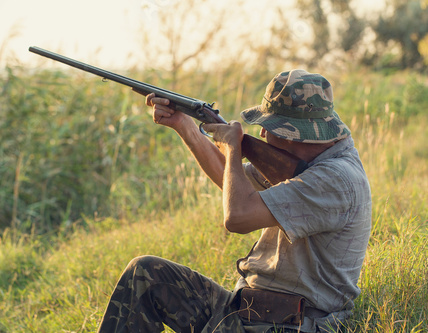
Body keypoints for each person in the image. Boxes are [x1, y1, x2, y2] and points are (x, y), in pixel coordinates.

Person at [97, 69, 372, 333]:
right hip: (248, 312)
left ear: (296, 133)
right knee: (144, 273)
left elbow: (237, 216)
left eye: (272, 127)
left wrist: (233, 148)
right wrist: (186, 127)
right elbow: (233, 184)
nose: (263, 134)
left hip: (285, 325)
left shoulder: (335, 180)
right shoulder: (309, 165)